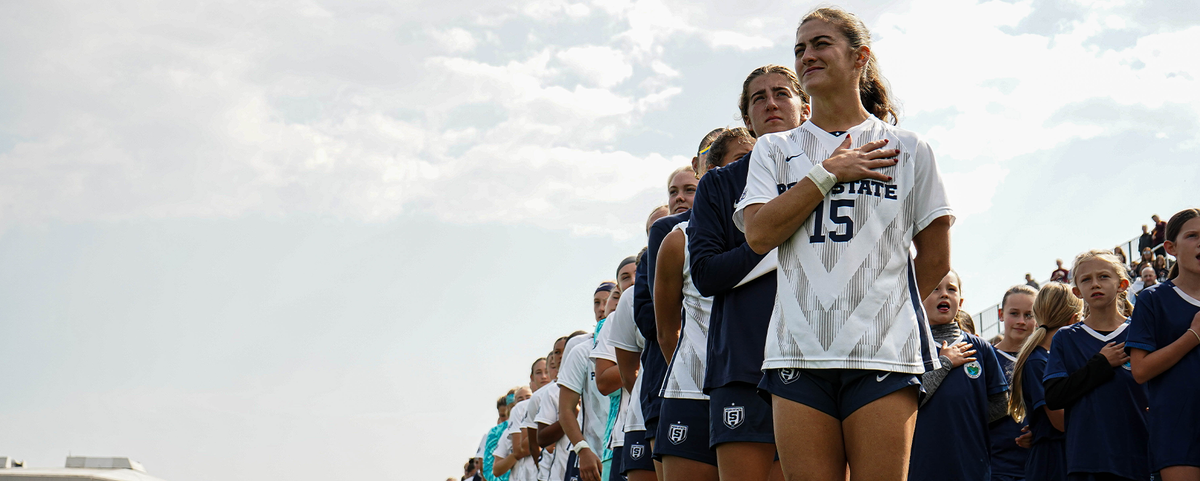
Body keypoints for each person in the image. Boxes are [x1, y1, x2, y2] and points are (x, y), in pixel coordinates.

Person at [735, 6, 953, 479]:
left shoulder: (909, 147)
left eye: (820, 44)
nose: (806, 55)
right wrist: (828, 172)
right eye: (799, 49)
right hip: (796, 352)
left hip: (882, 352)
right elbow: (758, 233)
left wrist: (880, 309)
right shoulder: (774, 149)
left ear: (860, 58)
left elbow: (935, 258)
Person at [690, 70, 805, 481]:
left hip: (822, 358)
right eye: (758, 98)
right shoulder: (718, 185)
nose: (770, 103)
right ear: (747, 119)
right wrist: (769, 237)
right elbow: (705, 274)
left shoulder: (833, 170)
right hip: (742, 362)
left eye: (781, 94)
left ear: (804, 107)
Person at [654, 131, 754, 481]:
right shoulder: (677, 240)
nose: (749, 169)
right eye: (739, 160)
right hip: (690, 393)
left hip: (758, 385)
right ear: (711, 172)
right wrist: (699, 372)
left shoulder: (781, 224)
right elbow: (666, 332)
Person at [1043, 249, 1149, 481]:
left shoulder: (1141, 332)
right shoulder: (1065, 338)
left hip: (1140, 455)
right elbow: (1054, 396)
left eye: (1103, 277)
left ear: (1122, 284)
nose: (1095, 284)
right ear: (1077, 291)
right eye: (1086, 279)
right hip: (1087, 460)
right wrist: (1101, 364)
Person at [910, 271, 1008, 481]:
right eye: (935, 288)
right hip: (922, 464)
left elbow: (1001, 405)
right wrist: (944, 364)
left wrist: (966, 423)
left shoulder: (980, 348)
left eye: (951, 289)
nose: (944, 294)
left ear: (960, 301)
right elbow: (909, 404)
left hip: (971, 464)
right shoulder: (910, 346)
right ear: (919, 297)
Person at [1128, 208, 1200, 481]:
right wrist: (1193, 336)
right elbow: (1140, 370)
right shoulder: (1152, 299)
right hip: (1178, 430)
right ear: (1170, 247)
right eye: (1192, 236)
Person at [635, 164, 702, 459]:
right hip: (666, 377)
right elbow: (649, 320)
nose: (679, 198)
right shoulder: (654, 253)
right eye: (673, 192)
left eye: (689, 190)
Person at [1008, 283, 1076, 481]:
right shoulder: (1039, 360)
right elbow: (1060, 421)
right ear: (1074, 319)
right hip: (1053, 462)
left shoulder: (1055, 356)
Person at [990, 285, 1039, 481]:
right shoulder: (986, 359)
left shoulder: (1047, 359)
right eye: (1014, 313)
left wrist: (1042, 431)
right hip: (994, 468)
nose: (1021, 321)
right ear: (1001, 314)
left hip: (1039, 466)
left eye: (1029, 315)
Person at [536, 333, 590, 481]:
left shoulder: (595, 380)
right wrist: (569, 416)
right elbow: (541, 438)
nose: (561, 356)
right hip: (565, 466)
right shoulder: (553, 391)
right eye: (557, 352)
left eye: (565, 350)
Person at [494, 386, 535, 481]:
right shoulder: (507, 433)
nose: (525, 402)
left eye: (528, 397)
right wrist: (517, 453)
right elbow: (496, 470)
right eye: (520, 399)